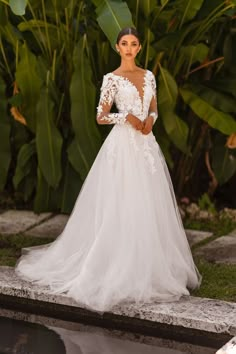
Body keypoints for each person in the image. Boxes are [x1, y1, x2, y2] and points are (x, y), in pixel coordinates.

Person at [16, 27, 201, 312]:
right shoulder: (112, 79)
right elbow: (101, 116)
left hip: (146, 146)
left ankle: (149, 266)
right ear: (118, 47)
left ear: (139, 48)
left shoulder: (149, 75)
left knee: (148, 204)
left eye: (134, 44)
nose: (129, 48)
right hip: (123, 146)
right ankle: (116, 264)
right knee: (121, 202)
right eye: (124, 43)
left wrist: (151, 118)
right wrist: (126, 115)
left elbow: (153, 108)